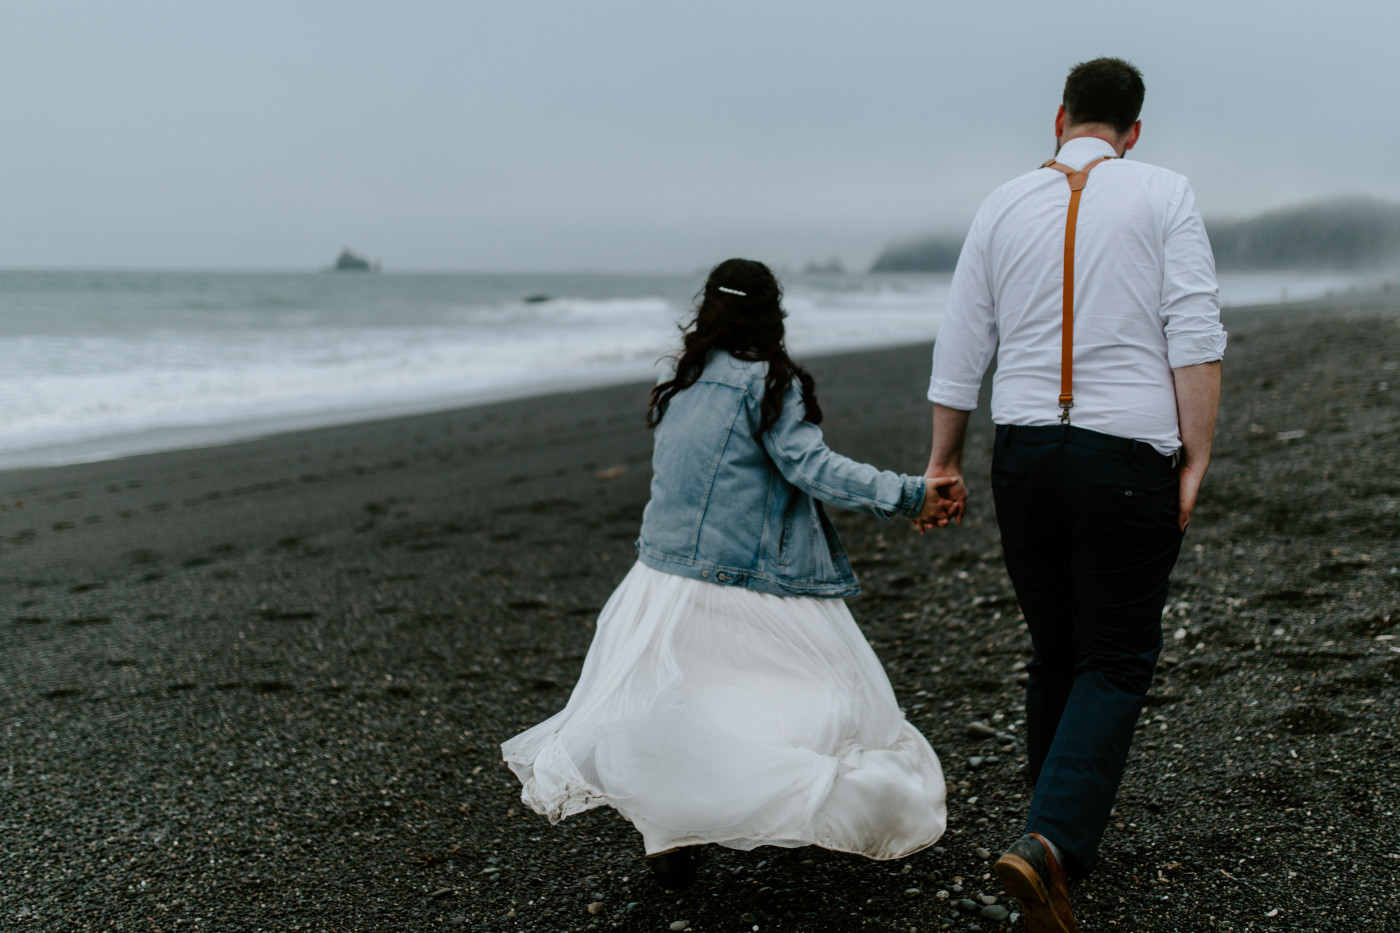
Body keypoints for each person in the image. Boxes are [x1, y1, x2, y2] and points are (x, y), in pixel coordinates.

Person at [503, 258, 949, 889]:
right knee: (825, 702)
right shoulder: (766, 382)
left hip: (658, 577)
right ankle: (803, 812)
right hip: (739, 574)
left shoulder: (682, 375)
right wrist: (910, 494)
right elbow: (813, 468)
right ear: (772, 316)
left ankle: (668, 834)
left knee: (680, 707)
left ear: (708, 309)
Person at [921, 58, 1225, 932]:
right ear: (1134, 133)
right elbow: (1193, 328)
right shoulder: (1164, 192)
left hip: (1022, 456)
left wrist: (945, 460)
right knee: (1117, 656)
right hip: (1125, 456)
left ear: (1060, 118)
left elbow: (960, 343)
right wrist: (1196, 455)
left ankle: (1043, 830)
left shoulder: (1001, 202)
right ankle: (1050, 842)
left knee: (1056, 647)